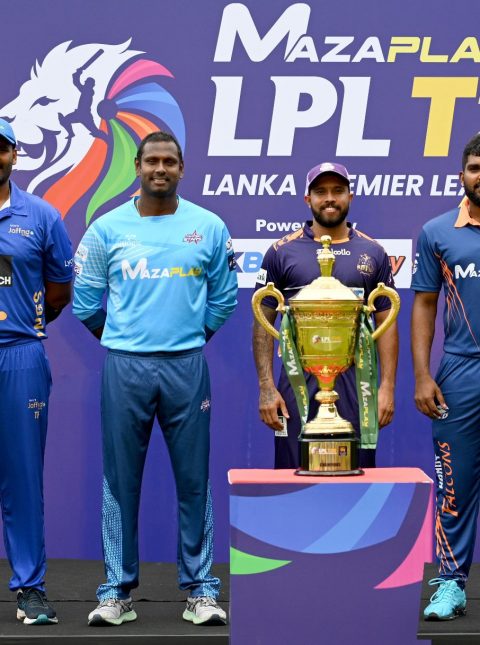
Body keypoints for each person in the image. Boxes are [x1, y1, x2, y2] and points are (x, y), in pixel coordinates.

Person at [73, 131, 237, 627]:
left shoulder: (209, 227)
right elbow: (85, 304)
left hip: (187, 366)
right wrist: (126, 339)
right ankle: (116, 592)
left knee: (194, 481)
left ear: (181, 168)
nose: (159, 168)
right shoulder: (105, 229)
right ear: (138, 167)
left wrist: (189, 338)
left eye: (169, 161)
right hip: (125, 368)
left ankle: (201, 591)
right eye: (151, 161)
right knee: (120, 481)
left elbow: (224, 298)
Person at [253, 162, 398, 469]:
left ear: (350, 196)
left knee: (356, 475)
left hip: (358, 384)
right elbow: (263, 323)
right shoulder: (281, 252)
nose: (329, 198)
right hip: (297, 381)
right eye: (321, 192)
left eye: (337, 191)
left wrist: (387, 387)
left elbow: (386, 323)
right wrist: (266, 386)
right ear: (308, 199)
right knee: (295, 475)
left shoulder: (373, 252)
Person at [0, 118, 72, 624]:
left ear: (14, 155)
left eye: (0, 148)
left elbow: (59, 291)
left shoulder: (42, 216)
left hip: (19, 355)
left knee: (23, 478)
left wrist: (22, 321)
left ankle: (30, 589)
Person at [411, 133, 480, 621]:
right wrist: (422, 374)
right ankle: (451, 584)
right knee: (454, 485)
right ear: (462, 175)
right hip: (461, 370)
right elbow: (425, 305)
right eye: (476, 167)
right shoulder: (437, 232)